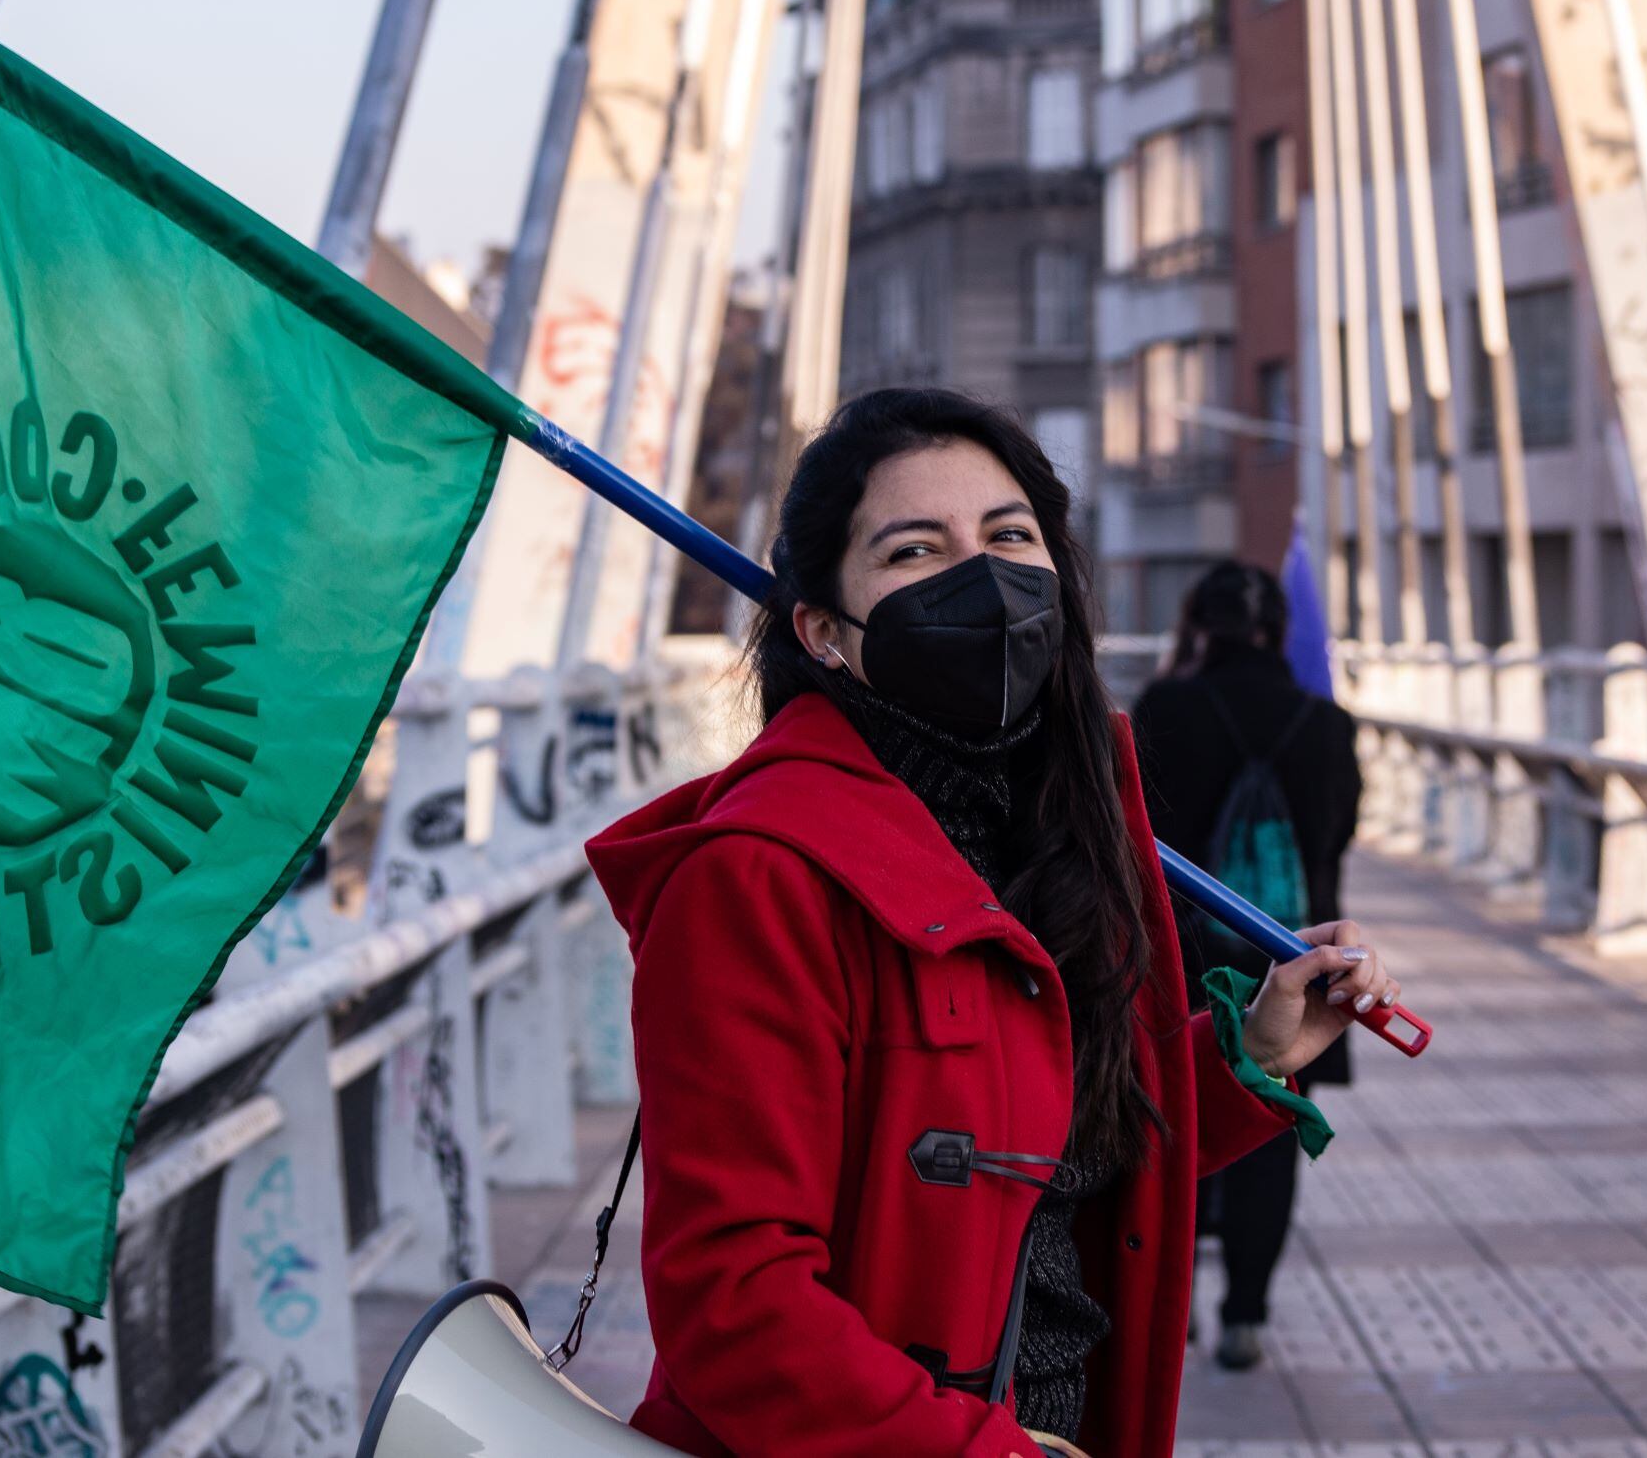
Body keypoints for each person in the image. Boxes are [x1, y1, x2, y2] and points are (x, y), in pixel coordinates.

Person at [587, 390, 1398, 1458]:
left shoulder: (1062, 827)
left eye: (1010, 536)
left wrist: (1246, 1054)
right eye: (914, 551)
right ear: (824, 631)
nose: (982, 577)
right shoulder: (756, 875)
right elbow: (731, 1299)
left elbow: (1057, 1151)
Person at [1130, 560, 1364, 1374]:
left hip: (1184, 962)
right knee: (1269, 1124)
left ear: (1198, 624)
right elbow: (1334, 838)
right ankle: (1246, 1315)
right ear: (1277, 631)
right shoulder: (1326, 722)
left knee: (1178, 1115)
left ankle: (1176, 1300)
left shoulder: (1167, 707)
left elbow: (1135, 831)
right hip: (1300, 965)